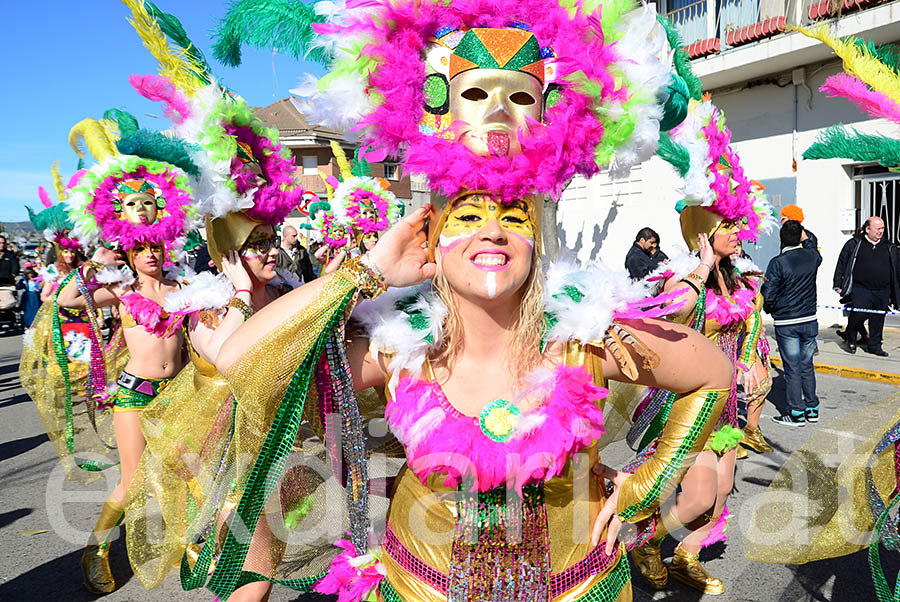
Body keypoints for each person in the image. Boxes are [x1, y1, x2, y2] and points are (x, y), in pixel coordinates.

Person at [199, 2, 734, 600]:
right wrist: (368, 269)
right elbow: (242, 363)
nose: (492, 231)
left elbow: (713, 374)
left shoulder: (585, 337)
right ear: (431, 238)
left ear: (537, 238)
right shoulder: (398, 353)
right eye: (468, 214)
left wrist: (642, 491)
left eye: (513, 216)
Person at [629, 99, 777, 595]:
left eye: (738, 225)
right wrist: (700, 264)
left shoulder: (743, 285)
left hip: (729, 408)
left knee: (718, 498)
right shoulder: (680, 280)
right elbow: (667, 318)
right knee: (694, 498)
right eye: (728, 227)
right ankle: (643, 540)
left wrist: (757, 363)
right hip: (688, 403)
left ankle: (686, 557)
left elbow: (749, 336)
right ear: (706, 233)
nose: (739, 233)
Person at [55, 116, 199, 595]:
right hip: (136, 395)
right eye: (143, 250)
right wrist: (98, 265)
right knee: (133, 484)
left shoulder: (184, 289)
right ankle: (95, 549)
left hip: (180, 391)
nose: (152, 255)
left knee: (187, 471)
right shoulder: (120, 292)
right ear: (131, 253)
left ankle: (192, 546)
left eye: (158, 246)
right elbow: (67, 303)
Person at [762, 220, 822, 425]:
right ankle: (812, 407)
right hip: (809, 319)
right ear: (801, 237)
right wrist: (802, 232)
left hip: (787, 321)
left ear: (780, 239)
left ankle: (796, 412)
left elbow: (768, 294)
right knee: (807, 365)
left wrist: (770, 308)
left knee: (793, 367)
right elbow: (812, 242)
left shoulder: (778, 262)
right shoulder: (812, 256)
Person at [833, 216, 900, 356]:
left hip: (883, 290)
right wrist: (837, 283)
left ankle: (875, 345)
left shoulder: (890, 247)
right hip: (861, 288)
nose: (881, 231)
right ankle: (851, 337)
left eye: (882, 228)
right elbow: (842, 263)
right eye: (878, 229)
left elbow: (896, 270)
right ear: (867, 229)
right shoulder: (854, 244)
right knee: (859, 314)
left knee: (878, 319)